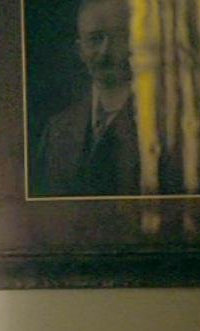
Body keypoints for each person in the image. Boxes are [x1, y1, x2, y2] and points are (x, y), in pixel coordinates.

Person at [32, 0, 145, 197]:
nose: (105, 51)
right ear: (80, 50)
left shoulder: (161, 128)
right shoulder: (57, 131)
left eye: (119, 37)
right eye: (95, 39)